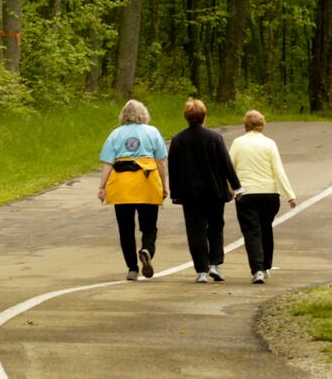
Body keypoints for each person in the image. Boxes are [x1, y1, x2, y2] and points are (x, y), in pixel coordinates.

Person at [167, 99, 242, 283]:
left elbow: (173, 169)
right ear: (204, 116)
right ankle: (215, 264)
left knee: (195, 230)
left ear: (186, 117)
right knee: (216, 227)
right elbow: (226, 164)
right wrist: (236, 186)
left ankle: (201, 269)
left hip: (190, 193)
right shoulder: (214, 138)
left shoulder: (178, 140)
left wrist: (175, 192)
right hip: (214, 191)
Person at [97, 100, 171, 281]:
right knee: (149, 227)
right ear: (143, 114)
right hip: (147, 183)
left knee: (126, 229)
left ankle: (132, 268)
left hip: (122, 186)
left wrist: (102, 187)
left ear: (123, 115)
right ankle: (146, 249)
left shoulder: (115, 134)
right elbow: (161, 161)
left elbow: (108, 163)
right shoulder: (152, 132)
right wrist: (163, 185)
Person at [229, 110, 297, 284]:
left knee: (252, 231)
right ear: (262, 125)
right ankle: (266, 266)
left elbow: (229, 168)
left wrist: (230, 190)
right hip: (270, 194)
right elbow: (278, 170)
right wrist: (290, 195)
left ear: (245, 125)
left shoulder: (238, 143)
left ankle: (257, 269)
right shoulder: (269, 144)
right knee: (266, 228)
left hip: (247, 194)